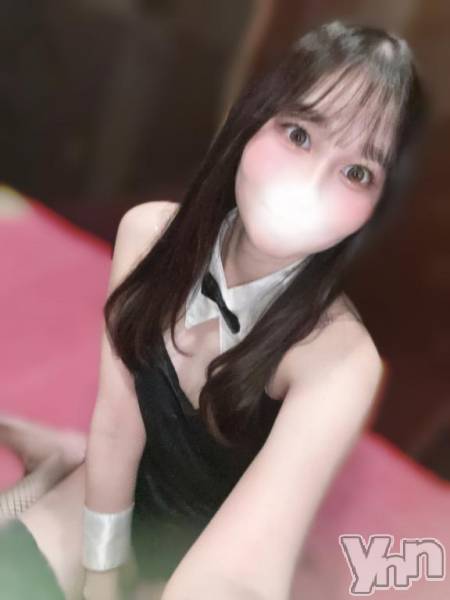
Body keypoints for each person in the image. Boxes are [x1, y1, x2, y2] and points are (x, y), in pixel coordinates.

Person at [0, 19, 428, 600]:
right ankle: (60, 464)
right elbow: (118, 425)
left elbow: (241, 572)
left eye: (357, 172)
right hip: (111, 496)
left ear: (376, 209)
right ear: (252, 120)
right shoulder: (147, 235)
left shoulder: (340, 361)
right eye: (299, 134)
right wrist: (101, 578)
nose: (311, 181)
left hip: (219, 544)